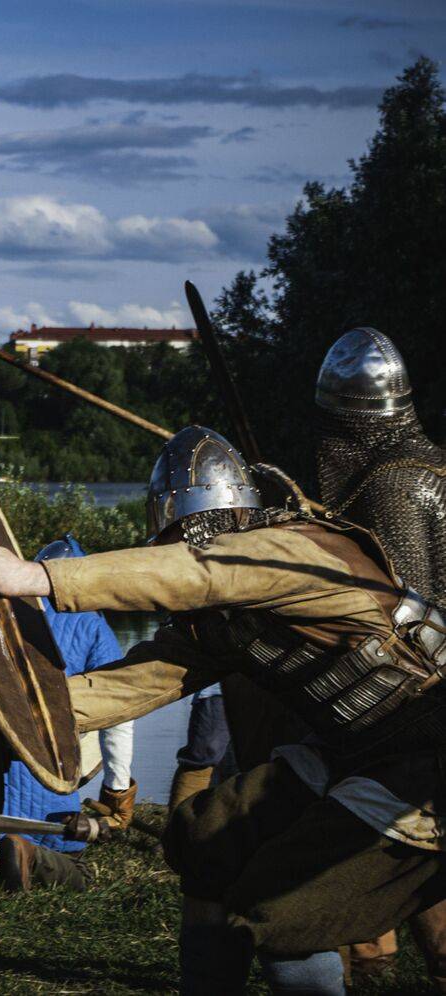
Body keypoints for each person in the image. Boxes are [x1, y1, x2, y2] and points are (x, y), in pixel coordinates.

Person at [0, 425, 446, 996]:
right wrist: (4, 714)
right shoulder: (224, 614)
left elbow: (200, 571)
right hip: (356, 754)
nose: (175, 548)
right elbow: (132, 686)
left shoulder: (291, 549)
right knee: (206, 836)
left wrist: (37, 577)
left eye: (180, 538)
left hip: (426, 764)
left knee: (280, 908)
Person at [314, 327, 446, 987]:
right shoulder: (433, 466)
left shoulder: (391, 486)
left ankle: (375, 968)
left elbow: (408, 615)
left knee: (386, 846)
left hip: (418, 695)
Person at [0, 535, 133, 893]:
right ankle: (29, 854)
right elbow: (118, 715)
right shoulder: (93, 625)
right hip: (52, 773)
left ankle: (2, 847)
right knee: (79, 872)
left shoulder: (1, 610)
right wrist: (117, 790)